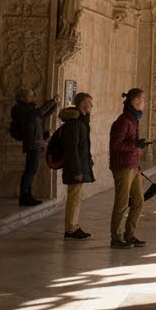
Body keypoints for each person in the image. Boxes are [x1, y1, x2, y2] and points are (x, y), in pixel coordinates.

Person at [109, 88, 153, 249]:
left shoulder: (134, 119)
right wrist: (135, 145)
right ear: (135, 101)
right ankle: (116, 237)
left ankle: (129, 235)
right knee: (121, 203)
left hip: (133, 166)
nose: (145, 102)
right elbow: (115, 145)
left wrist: (139, 167)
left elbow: (131, 144)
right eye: (143, 99)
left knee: (139, 201)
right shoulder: (123, 121)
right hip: (122, 166)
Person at [11, 88, 59, 206]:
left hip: (35, 141)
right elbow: (38, 113)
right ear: (24, 97)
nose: (32, 97)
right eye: (30, 95)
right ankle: (25, 197)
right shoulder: (21, 108)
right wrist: (52, 101)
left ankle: (28, 195)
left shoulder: (28, 109)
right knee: (30, 170)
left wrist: (55, 105)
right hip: (32, 142)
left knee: (31, 170)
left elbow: (43, 114)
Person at [59, 92, 95, 240]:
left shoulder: (81, 121)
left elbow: (82, 146)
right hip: (76, 168)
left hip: (81, 165)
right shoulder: (74, 124)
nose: (92, 105)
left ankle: (73, 226)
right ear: (82, 104)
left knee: (77, 197)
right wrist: (77, 170)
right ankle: (71, 229)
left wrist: (89, 160)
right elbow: (71, 149)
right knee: (74, 198)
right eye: (89, 102)